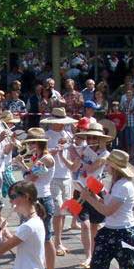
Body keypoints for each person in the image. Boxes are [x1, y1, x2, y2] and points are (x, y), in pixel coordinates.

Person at [71, 149, 134, 269]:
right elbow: (105, 203)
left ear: (114, 167)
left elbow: (108, 211)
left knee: (129, 268)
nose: (106, 167)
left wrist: (88, 198)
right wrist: (93, 194)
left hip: (124, 231)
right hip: (111, 230)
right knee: (97, 265)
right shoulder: (115, 183)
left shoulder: (124, 186)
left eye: (109, 164)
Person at [69, 121, 112, 269]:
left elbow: (92, 167)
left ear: (101, 139)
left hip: (95, 189)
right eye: (89, 138)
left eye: (95, 138)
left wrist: (79, 155)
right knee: (85, 224)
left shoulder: (106, 154)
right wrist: (72, 152)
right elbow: (74, 168)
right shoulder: (83, 149)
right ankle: (88, 256)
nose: (91, 141)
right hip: (80, 188)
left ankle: (94, 254)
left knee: (95, 224)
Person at [21, 128, 57, 269]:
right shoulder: (38, 157)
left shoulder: (47, 159)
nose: (29, 146)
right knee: (32, 237)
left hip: (43, 200)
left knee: (47, 238)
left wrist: (22, 168)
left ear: (39, 143)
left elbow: (31, 177)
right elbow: (30, 175)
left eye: (31, 143)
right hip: (35, 198)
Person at [42, 108, 76, 256]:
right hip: (53, 176)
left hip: (67, 175)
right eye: (59, 122)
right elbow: (41, 155)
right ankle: (56, 243)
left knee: (63, 211)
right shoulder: (46, 136)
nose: (62, 125)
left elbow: (72, 153)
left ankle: (59, 241)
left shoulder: (68, 134)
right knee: (57, 211)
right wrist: (55, 151)